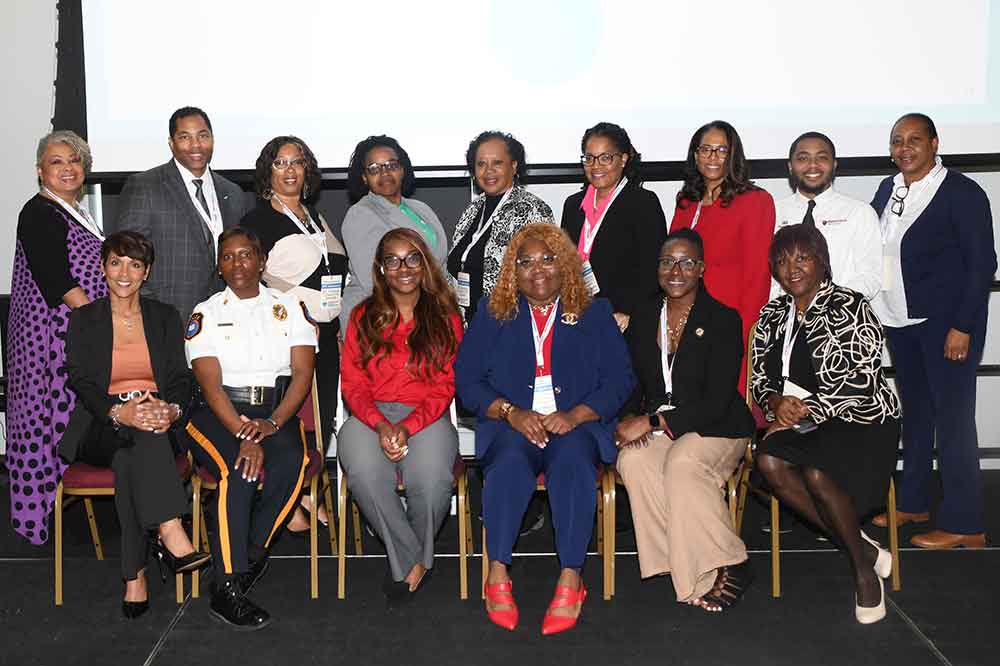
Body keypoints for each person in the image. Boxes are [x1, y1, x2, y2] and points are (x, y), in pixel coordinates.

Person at [455, 224, 635, 635]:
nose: (538, 269)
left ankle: (571, 576)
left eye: (548, 259)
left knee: (572, 460)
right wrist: (510, 412)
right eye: (526, 262)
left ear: (566, 265)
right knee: (509, 463)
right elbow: (467, 381)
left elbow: (620, 380)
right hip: (512, 424)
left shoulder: (595, 313)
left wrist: (576, 414)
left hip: (575, 424)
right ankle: (497, 570)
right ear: (513, 272)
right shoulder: (492, 312)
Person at [752, 225, 901, 624]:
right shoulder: (770, 316)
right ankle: (864, 548)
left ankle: (863, 572)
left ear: (822, 262)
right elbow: (759, 380)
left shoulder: (850, 305)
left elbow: (864, 378)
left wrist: (805, 410)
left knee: (818, 475)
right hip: (804, 423)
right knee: (767, 462)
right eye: (782, 261)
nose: (792, 268)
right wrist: (775, 403)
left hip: (863, 420)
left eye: (803, 257)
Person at [62, 231, 211, 618]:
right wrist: (118, 411)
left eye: (135, 264)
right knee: (138, 434)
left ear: (147, 272)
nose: (124, 272)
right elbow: (81, 380)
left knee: (133, 457)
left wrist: (172, 409)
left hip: (157, 421)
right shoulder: (84, 319)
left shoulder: (164, 316)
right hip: (100, 425)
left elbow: (180, 377)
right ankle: (169, 527)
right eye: (115, 262)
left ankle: (134, 575)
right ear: (102, 267)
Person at [869, 113, 996, 549]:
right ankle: (914, 501)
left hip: (948, 326)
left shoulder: (962, 192)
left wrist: (962, 327)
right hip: (902, 322)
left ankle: (966, 523)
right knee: (917, 415)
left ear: (935, 142)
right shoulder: (888, 188)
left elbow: (982, 265)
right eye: (897, 141)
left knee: (954, 421)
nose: (904, 148)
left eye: (914, 140)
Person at [615, 228, 755, 612]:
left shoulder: (724, 319)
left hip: (718, 425)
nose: (676, 270)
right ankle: (678, 564)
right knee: (635, 459)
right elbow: (633, 380)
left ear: (701, 269)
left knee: (683, 462)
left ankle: (731, 562)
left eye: (686, 262)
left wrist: (654, 423)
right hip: (665, 423)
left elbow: (719, 399)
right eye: (667, 262)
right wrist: (627, 417)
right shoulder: (644, 317)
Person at [185, 227, 316, 630]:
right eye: (228, 257)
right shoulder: (205, 313)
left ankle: (250, 555)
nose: (237, 264)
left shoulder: (290, 307)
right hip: (217, 411)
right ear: (219, 266)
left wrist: (273, 423)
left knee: (292, 461)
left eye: (246, 255)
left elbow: (301, 375)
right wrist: (244, 433)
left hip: (274, 410)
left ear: (261, 262)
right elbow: (209, 384)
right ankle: (226, 588)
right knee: (238, 473)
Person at [338, 228, 463, 604]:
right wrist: (380, 424)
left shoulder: (445, 316)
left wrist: (406, 427)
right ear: (381, 268)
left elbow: (445, 386)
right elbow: (353, 384)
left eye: (411, 258)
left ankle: (407, 562)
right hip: (369, 416)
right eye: (392, 260)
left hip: (426, 417)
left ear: (424, 264)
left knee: (432, 477)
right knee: (363, 471)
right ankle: (416, 559)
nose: (403, 267)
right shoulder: (362, 315)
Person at [241, 136, 348, 531]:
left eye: (297, 162)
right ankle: (294, 493)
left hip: (326, 334)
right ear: (268, 171)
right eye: (280, 162)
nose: (289, 170)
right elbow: (250, 280)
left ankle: (309, 490)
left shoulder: (314, 216)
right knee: (290, 412)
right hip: (285, 337)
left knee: (318, 413)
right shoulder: (258, 221)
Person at [7, 130, 108, 545]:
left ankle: (64, 501)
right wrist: (97, 323)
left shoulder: (77, 211)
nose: (67, 168)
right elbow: (57, 278)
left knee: (69, 427)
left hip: (75, 338)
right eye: (56, 162)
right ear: (39, 171)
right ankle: (33, 522)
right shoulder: (38, 212)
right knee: (42, 425)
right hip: (48, 342)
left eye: (74, 161)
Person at [113, 106, 249, 322]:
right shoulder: (145, 186)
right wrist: (152, 312)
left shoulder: (232, 193)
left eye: (203, 136)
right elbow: (127, 257)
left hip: (227, 316)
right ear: (171, 143)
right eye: (185, 137)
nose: (196, 145)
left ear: (212, 139)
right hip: (167, 317)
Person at [670, 120, 775, 394]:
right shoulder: (686, 201)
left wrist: (745, 335)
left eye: (721, 150)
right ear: (695, 155)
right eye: (705, 149)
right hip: (684, 320)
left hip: (728, 323)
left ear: (733, 156)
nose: (713, 157)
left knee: (724, 402)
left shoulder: (755, 201)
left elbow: (757, 276)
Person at [561, 122, 667, 332]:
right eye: (589, 158)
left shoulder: (643, 203)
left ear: (623, 159)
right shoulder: (573, 205)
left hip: (622, 321)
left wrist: (630, 312)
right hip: (578, 317)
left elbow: (653, 267)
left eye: (605, 158)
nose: (595, 166)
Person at [340, 135, 448, 330]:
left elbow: (441, 266)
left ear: (402, 169)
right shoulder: (360, 213)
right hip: (381, 320)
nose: (385, 173)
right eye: (374, 168)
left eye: (391, 165)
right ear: (364, 177)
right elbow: (372, 281)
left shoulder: (420, 208)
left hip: (427, 315)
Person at [448, 130, 554, 324]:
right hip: (469, 326)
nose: (488, 171)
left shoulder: (533, 210)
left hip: (510, 326)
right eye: (481, 164)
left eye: (497, 163)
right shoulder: (473, 209)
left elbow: (544, 280)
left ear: (514, 166)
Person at [771, 131, 882, 300]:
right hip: (786, 319)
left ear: (834, 164)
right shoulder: (773, 213)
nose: (812, 165)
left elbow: (870, 276)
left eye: (822, 157)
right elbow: (766, 278)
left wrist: (827, 304)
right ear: (790, 166)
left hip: (842, 318)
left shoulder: (859, 212)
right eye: (803, 158)